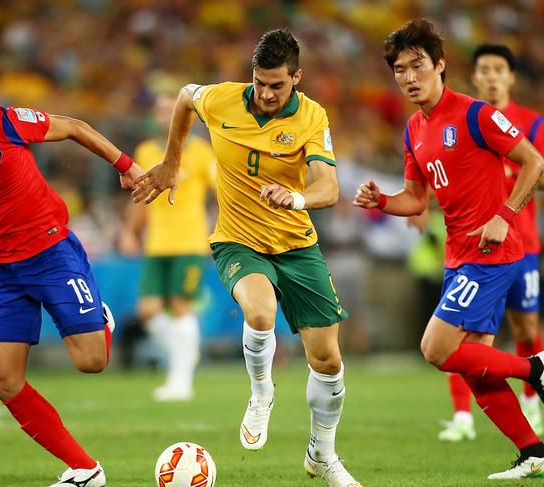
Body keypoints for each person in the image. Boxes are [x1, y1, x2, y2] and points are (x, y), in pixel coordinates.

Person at [132, 28, 360, 487]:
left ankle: (323, 456)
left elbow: (328, 187)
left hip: (297, 245)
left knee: (328, 361)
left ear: (296, 78)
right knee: (259, 312)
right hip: (238, 240)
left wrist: (295, 198)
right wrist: (173, 162)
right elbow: (183, 98)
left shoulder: (312, 117)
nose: (267, 93)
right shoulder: (222, 100)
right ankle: (261, 394)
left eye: (278, 84)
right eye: (260, 82)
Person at [0, 48, 142, 487]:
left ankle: (99, 317)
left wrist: (125, 167)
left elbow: (73, 127)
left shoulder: (1, 120)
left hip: (53, 253)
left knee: (92, 362)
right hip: (0, 271)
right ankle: (84, 470)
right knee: (2, 379)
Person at [353, 19, 544, 480]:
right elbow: (417, 199)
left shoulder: (476, 114)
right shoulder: (413, 129)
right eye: (400, 69)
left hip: (491, 255)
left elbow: (534, 163)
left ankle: (536, 368)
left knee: (435, 348)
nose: (409, 77)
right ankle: (534, 451)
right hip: (457, 255)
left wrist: (503, 217)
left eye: (417, 65)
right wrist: (382, 201)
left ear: (440, 65)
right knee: (476, 368)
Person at [437, 43, 544, 443]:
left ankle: (533, 402)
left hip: (521, 245)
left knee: (524, 327)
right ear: (474, 76)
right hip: (473, 248)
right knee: (467, 342)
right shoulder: (465, 121)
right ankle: (463, 416)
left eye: (498, 69)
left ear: (511, 77)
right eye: (483, 69)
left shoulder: (529, 123)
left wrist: (509, 164)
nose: (490, 76)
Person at [120, 89, 216, 401]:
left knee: (180, 305)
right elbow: (140, 198)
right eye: (162, 111)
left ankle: (181, 379)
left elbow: (223, 192)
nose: (167, 116)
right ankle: (183, 352)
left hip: (189, 241)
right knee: (147, 310)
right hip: (157, 242)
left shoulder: (202, 152)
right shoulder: (146, 152)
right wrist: (130, 232)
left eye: (172, 110)